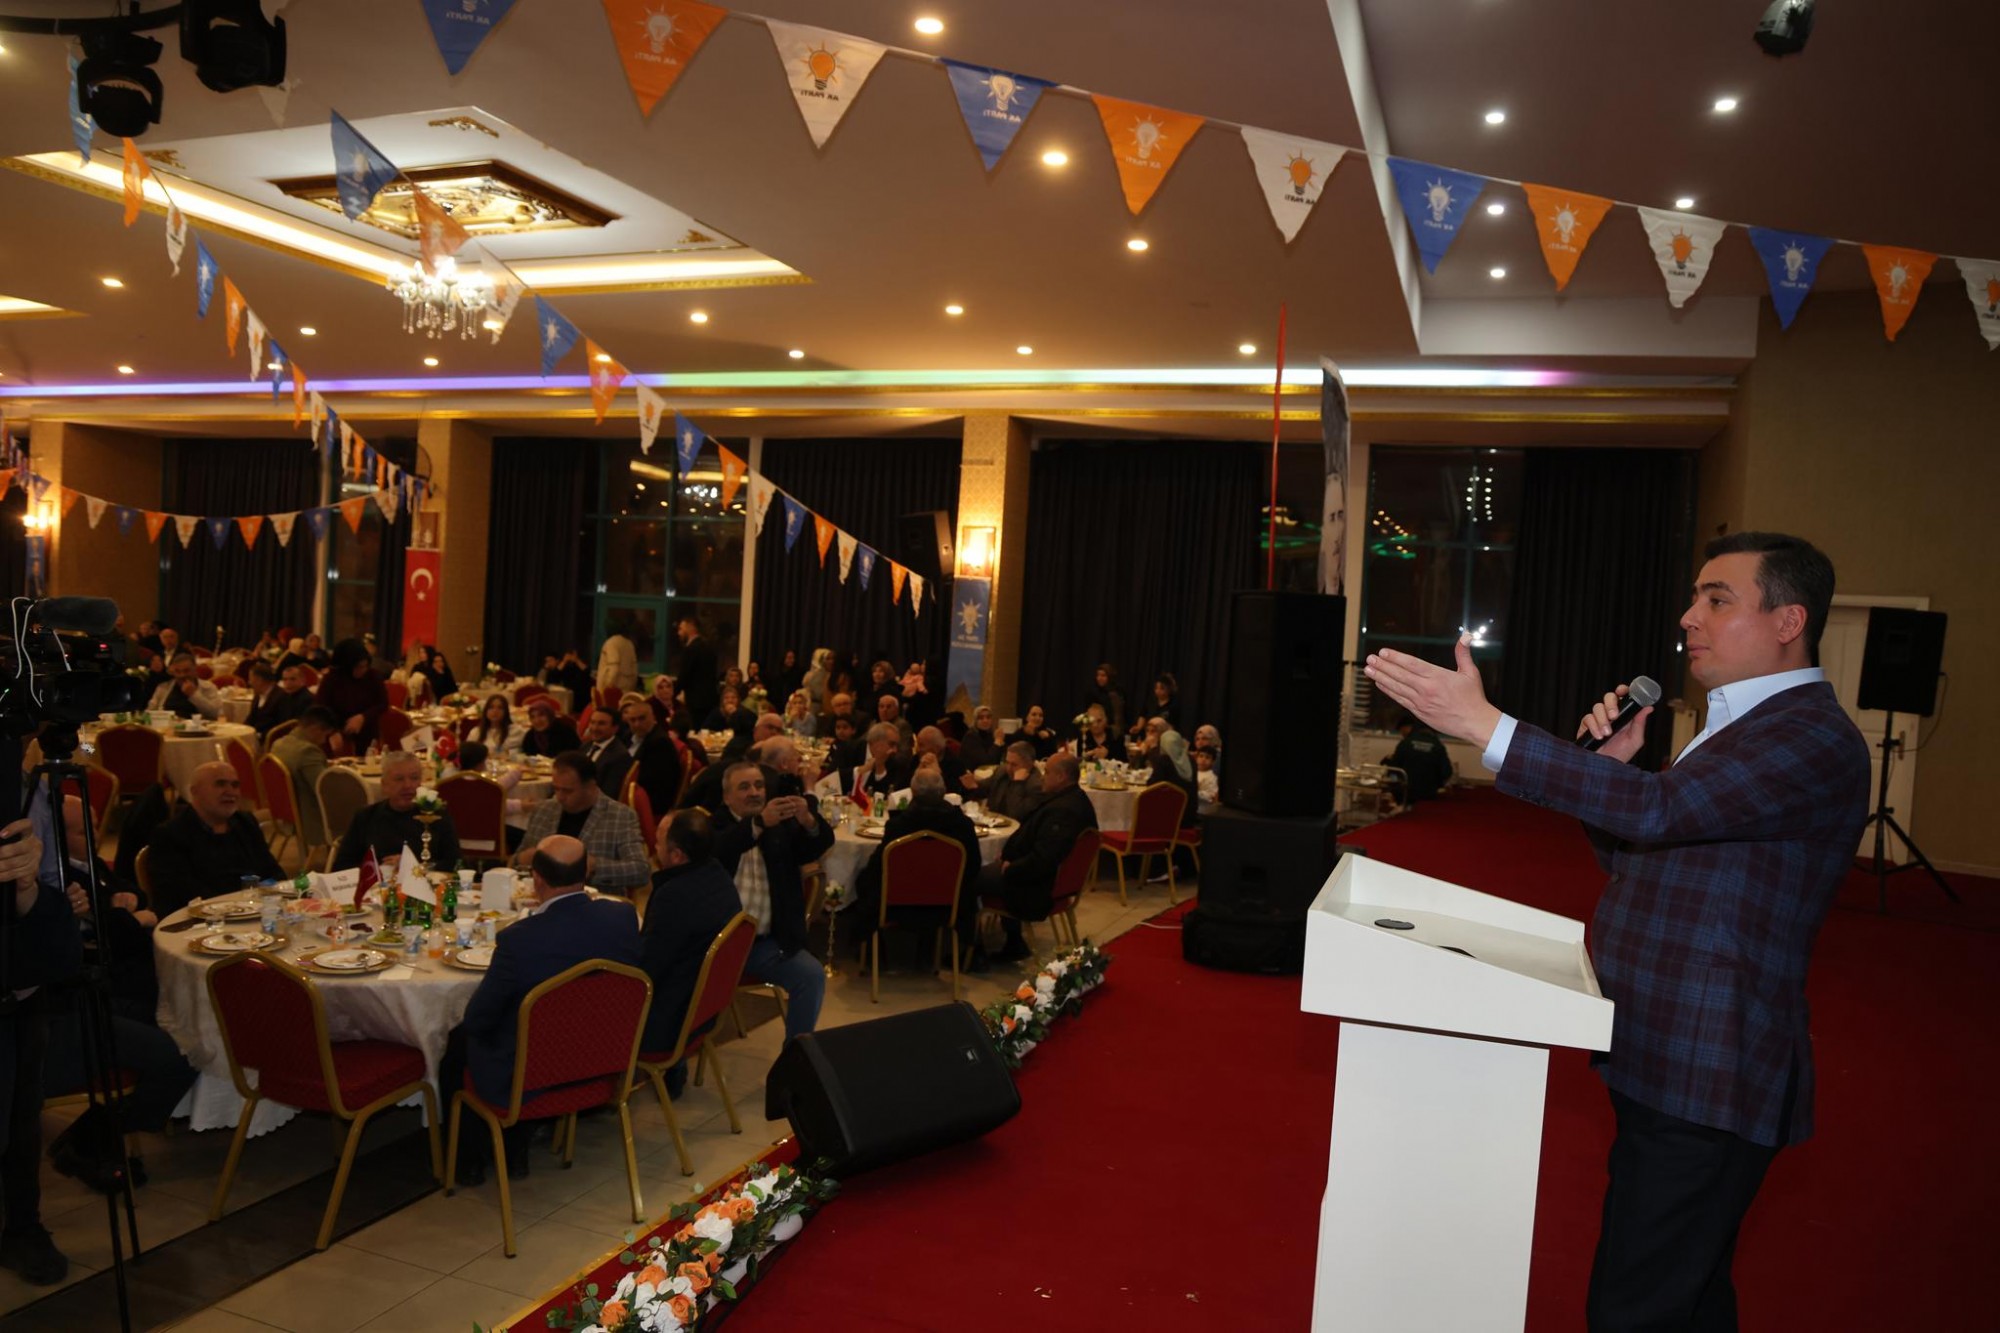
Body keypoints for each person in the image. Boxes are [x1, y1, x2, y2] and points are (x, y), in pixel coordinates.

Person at [1361, 531, 1872, 1332]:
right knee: (1684, 1295)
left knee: (1637, 1307)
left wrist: (1486, 725)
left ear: (1788, 620)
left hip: (1709, 1068)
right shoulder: (1743, 723)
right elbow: (1650, 851)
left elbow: (1660, 814)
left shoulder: (1808, 734)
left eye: (1717, 599)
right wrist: (1616, 772)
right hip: (1668, 1053)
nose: (1689, 616)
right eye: (1695, 597)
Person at [439, 835, 643, 1184]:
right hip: (603, 1062)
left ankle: (466, 1162)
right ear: (585, 872)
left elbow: (478, 1019)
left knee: (459, 1041)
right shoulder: (622, 917)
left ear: (536, 879)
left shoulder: (520, 939)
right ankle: (516, 1148)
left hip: (532, 1076)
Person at [47, 802, 196, 1197]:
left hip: (99, 994)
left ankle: (95, 1135)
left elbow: (131, 895)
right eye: (82, 830)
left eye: (95, 826)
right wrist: (128, 917)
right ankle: (94, 1136)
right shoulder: (58, 879)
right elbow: (116, 934)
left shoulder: (90, 864)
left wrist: (126, 909)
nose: (94, 836)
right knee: (183, 1054)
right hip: (68, 1013)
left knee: (183, 1019)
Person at [0, 778, 86, 1285]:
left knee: (22, 1116)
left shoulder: (31, 790)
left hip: (24, 987)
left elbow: (52, 883)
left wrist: (41, 892)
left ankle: (23, 1226)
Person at [710, 762, 832, 1042]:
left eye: (759, 785)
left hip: (766, 945)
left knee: (811, 975)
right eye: (744, 787)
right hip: (717, 944)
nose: (754, 792)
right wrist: (757, 824)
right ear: (727, 797)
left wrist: (808, 820)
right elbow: (721, 848)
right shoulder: (714, 827)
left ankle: (796, 1057)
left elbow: (814, 847)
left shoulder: (780, 828)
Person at [638, 810, 743, 1065]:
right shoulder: (718, 874)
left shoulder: (674, 895)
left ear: (677, 855)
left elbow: (646, 971)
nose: (654, 848)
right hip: (703, 1011)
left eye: (659, 843)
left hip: (667, 1024)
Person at [849, 766, 983, 961]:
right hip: (947, 904)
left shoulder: (899, 826)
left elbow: (878, 868)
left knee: (864, 878)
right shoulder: (962, 825)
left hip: (897, 904)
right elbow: (973, 866)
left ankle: (874, 953)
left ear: (913, 792)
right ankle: (930, 947)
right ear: (944, 792)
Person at [975, 753, 1096, 964]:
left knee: (969, 878)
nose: (1042, 777)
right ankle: (1013, 941)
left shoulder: (1063, 810)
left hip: (1036, 886)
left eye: (1047, 772)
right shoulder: (1075, 799)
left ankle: (972, 951)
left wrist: (1011, 867)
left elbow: (1044, 858)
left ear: (1061, 777)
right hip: (1050, 880)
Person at [141, 762, 283, 918]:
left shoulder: (245, 823)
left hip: (252, 913)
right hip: (200, 921)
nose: (230, 792)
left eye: (235, 785)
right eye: (220, 784)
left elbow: (273, 873)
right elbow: (180, 895)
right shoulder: (170, 834)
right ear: (195, 791)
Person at [512, 751, 650, 894]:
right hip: (541, 899)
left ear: (590, 787)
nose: (559, 797)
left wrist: (595, 866)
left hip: (595, 900)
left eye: (568, 791)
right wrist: (521, 859)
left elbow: (641, 871)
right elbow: (514, 862)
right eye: (556, 789)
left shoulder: (620, 816)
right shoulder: (544, 810)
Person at [331, 750, 463, 873]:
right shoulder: (366, 817)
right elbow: (342, 866)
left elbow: (456, 863)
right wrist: (380, 870)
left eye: (414, 778)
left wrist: (414, 866)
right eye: (399, 779)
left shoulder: (435, 816)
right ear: (384, 785)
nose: (408, 785)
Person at [270, 706, 338, 849]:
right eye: (325, 735)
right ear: (315, 729)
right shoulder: (308, 751)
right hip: (310, 817)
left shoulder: (278, 744)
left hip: (287, 813)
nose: (324, 741)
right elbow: (325, 790)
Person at [317, 637, 388, 749]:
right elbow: (320, 709)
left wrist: (363, 717)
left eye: (365, 666)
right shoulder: (331, 679)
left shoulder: (373, 676)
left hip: (367, 733)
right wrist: (332, 731)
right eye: (358, 667)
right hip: (336, 734)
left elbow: (383, 703)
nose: (363, 670)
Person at [619, 695, 686, 813]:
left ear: (653, 717)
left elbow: (649, 782)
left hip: (649, 803)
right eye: (632, 720)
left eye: (642, 718)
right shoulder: (627, 736)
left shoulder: (660, 743)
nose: (637, 724)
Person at [1384, 712, 1454, 809]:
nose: (1402, 734)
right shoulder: (1437, 745)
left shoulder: (1405, 743)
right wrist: (1437, 784)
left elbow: (1394, 769)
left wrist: (1391, 786)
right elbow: (1447, 772)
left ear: (1406, 727)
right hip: (1429, 794)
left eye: (1401, 731)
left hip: (1407, 793)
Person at [837, 723, 913, 812]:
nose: (895, 750)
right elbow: (833, 778)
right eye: (891, 744)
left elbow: (887, 796)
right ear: (875, 742)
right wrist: (860, 770)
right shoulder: (849, 748)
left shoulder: (895, 761)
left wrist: (880, 766)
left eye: (896, 745)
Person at [968, 741, 1044, 820]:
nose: (1008, 768)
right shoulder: (1002, 771)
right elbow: (984, 788)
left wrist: (1017, 783)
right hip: (992, 821)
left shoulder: (1037, 785)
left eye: (1014, 765)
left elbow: (1016, 814)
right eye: (1007, 762)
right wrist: (973, 785)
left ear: (1029, 765)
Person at [147, 652, 222, 720]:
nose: (182, 675)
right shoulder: (163, 687)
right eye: (178, 671)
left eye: (186, 671)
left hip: (197, 728)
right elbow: (149, 712)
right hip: (166, 727)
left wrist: (193, 694)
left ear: (195, 670)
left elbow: (215, 713)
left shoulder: (208, 687)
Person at [1147, 730, 1200, 828]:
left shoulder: (1164, 761)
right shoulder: (1191, 760)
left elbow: (1153, 785)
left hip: (1169, 816)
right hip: (1189, 814)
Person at [674, 615, 719, 721]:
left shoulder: (691, 649)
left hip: (695, 701)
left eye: (681, 629)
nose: (679, 633)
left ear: (691, 627)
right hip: (710, 698)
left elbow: (684, 675)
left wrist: (673, 693)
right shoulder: (709, 647)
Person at [243, 661, 307, 736]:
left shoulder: (282, 697)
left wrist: (258, 735)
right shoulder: (258, 695)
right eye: (285, 679)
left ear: (259, 680)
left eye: (250, 679)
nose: (249, 682)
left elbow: (282, 727)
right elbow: (251, 718)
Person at [581, 706, 630, 795]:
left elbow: (609, 792)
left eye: (601, 724)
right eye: (592, 722)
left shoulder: (620, 756)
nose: (595, 728)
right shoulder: (586, 746)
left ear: (615, 728)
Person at [468, 693, 522, 758]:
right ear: (486, 711)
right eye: (491, 707)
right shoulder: (476, 732)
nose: (495, 711)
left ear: (506, 712)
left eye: (500, 708)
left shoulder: (515, 731)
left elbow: (519, 752)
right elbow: (468, 754)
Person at [913, 726, 967, 791]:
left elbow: (956, 792)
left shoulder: (956, 764)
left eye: (921, 745)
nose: (917, 749)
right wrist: (917, 774)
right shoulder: (916, 759)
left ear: (936, 749)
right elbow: (904, 786)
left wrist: (939, 775)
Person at [1085, 663, 1128, 739]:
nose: (1099, 678)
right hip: (1102, 731)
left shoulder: (1119, 691)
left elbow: (1124, 710)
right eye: (1098, 675)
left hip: (1120, 729)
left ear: (1110, 677)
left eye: (1103, 675)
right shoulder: (1093, 693)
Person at [1129, 673, 1180, 738]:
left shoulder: (1173, 705)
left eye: (1162, 688)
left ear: (1169, 689)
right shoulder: (1150, 702)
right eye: (1156, 688)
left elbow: (1172, 726)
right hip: (1148, 736)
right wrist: (1139, 727)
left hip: (1163, 737)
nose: (1158, 691)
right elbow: (1143, 715)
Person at [959, 706, 1005, 771]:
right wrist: (997, 741)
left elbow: (1000, 757)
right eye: (981, 718)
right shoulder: (970, 737)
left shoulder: (991, 734)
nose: (985, 720)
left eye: (988, 717)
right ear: (975, 721)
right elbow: (986, 762)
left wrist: (1001, 742)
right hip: (974, 772)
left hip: (990, 770)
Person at [597, 627, 638, 696]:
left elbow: (614, 667)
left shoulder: (611, 643)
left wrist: (606, 687)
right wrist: (632, 686)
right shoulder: (629, 644)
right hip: (627, 688)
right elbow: (634, 669)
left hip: (612, 690)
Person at [1192, 746, 1221, 814]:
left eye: (1207, 757)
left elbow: (1210, 796)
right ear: (1196, 758)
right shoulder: (1192, 771)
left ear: (1213, 761)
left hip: (1202, 809)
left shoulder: (1212, 777)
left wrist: (1194, 791)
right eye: (1201, 756)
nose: (1203, 759)